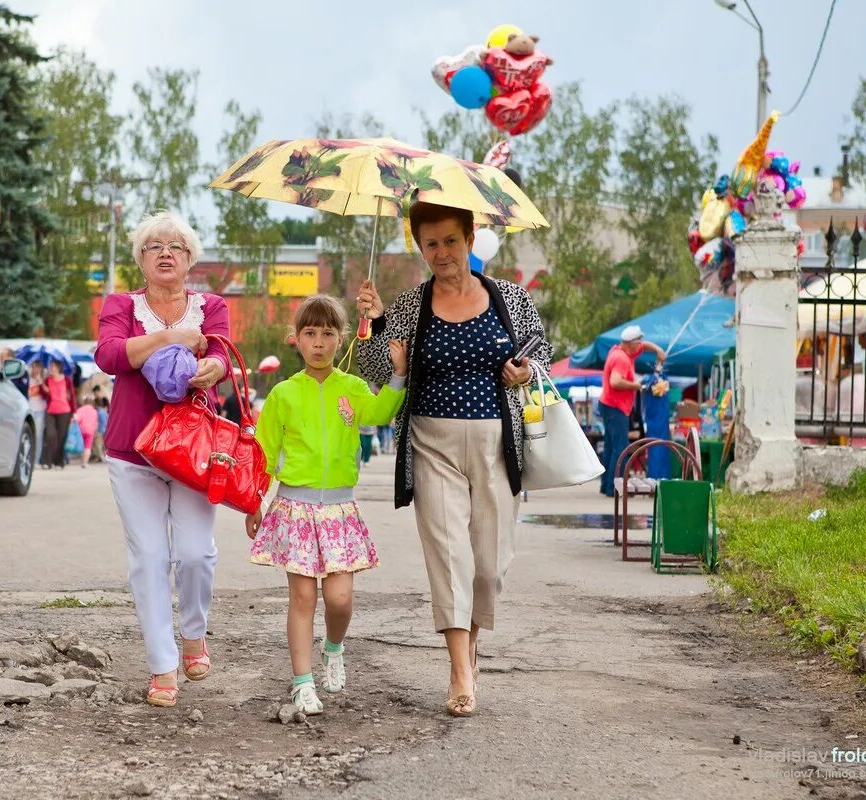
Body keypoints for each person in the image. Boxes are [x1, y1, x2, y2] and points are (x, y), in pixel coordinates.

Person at [355, 200, 552, 718]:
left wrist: (524, 369)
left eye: (450, 240)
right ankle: (459, 668)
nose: (441, 252)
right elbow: (376, 371)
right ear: (421, 248)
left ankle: (472, 640)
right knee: (448, 555)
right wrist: (374, 325)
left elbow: (541, 348)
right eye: (430, 244)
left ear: (469, 237)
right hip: (430, 442)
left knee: (488, 565)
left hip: (496, 442)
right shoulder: (408, 305)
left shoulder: (509, 297)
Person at [94, 210, 231, 709]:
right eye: (154, 246)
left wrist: (210, 368)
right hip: (133, 450)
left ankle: (194, 634)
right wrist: (171, 338)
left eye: (175, 245)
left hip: (195, 447)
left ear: (190, 257)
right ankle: (162, 666)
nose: (166, 252)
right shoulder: (120, 304)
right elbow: (109, 355)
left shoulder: (211, 304)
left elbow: (219, 354)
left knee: (196, 553)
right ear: (142, 260)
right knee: (149, 558)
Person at [246, 295, 407, 715]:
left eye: (328, 334)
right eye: (310, 334)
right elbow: (263, 452)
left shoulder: (352, 389)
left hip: (338, 511)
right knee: (302, 599)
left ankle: (333, 646)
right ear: (295, 339)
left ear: (342, 338)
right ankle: (302, 683)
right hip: (294, 510)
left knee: (339, 599)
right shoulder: (283, 394)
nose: (319, 343)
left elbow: (380, 413)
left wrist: (399, 376)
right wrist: (252, 501)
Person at [597, 325, 666, 496]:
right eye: (638, 342)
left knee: (610, 446)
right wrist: (637, 385)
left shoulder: (620, 350)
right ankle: (614, 489)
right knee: (620, 448)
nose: (641, 345)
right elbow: (615, 382)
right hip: (615, 407)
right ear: (631, 344)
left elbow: (645, 345)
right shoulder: (621, 359)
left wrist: (657, 350)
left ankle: (606, 485)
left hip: (607, 404)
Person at [41, 360, 75, 469]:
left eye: (53, 366)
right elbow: (44, 395)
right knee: (50, 435)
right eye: (51, 366)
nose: (51, 368)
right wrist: (42, 386)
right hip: (50, 411)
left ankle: (59, 462)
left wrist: (74, 412)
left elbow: (72, 396)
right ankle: (47, 462)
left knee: (61, 438)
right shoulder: (47, 380)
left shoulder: (67, 380)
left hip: (65, 411)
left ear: (59, 368)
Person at [26, 360, 48, 464]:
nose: (36, 369)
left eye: (38, 367)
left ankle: (36, 460)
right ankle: (28, 457)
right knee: (29, 434)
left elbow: (47, 394)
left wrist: (41, 383)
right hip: (29, 409)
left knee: (38, 435)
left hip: (40, 410)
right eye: (34, 367)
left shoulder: (44, 380)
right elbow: (27, 394)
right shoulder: (28, 379)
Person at [73, 396, 98, 469]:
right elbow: (96, 423)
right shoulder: (94, 411)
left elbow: (77, 418)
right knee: (88, 447)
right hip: (90, 431)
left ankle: (82, 461)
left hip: (81, 430)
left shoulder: (80, 409)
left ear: (84, 402)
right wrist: (95, 431)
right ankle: (85, 462)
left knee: (82, 446)